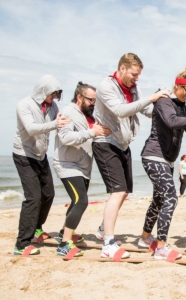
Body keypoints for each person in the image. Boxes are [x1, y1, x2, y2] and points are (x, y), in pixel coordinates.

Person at [93, 53, 170, 259]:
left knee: (124, 192)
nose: (136, 80)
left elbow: (145, 109)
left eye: (138, 76)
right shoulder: (106, 86)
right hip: (106, 144)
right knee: (117, 192)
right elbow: (120, 110)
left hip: (123, 145)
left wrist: (167, 112)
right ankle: (108, 244)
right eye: (134, 75)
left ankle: (102, 230)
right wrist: (152, 97)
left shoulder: (134, 89)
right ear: (122, 68)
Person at [139, 63, 186, 260]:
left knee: (158, 199)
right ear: (178, 86)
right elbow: (172, 122)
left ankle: (145, 238)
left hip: (168, 160)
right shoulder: (164, 101)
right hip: (154, 155)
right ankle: (161, 248)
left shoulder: (182, 106)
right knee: (171, 198)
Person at [12, 75, 70, 255]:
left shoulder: (52, 106)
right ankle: (21, 244)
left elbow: (59, 124)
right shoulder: (24, 105)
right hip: (24, 155)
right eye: (52, 94)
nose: (54, 98)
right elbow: (31, 128)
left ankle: (37, 228)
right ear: (43, 91)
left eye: (57, 95)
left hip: (41, 156)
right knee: (33, 197)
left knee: (48, 194)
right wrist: (55, 124)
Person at [53, 82, 112, 257]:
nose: (93, 103)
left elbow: (92, 135)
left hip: (83, 167)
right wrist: (92, 133)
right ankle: (64, 245)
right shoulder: (69, 112)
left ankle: (64, 233)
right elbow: (65, 138)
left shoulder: (88, 116)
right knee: (81, 201)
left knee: (76, 201)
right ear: (79, 97)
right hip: (67, 165)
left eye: (95, 100)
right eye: (90, 100)